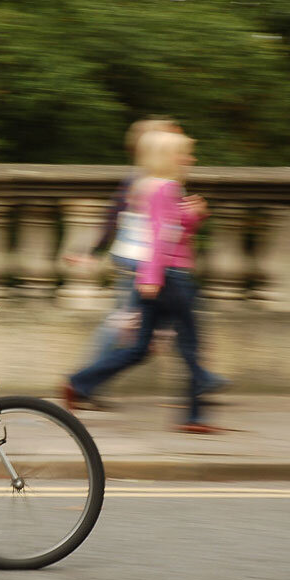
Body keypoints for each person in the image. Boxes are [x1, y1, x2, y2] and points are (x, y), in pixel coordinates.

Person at [65, 130, 226, 433]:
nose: (190, 159)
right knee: (191, 345)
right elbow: (161, 237)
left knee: (139, 347)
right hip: (171, 276)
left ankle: (80, 381)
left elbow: (172, 231)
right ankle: (194, 417)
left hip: (156, 275)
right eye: (185, 153)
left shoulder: (148, 186)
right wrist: (151, 277)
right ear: (169, 157)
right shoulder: (167, 188)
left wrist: (193, 215)